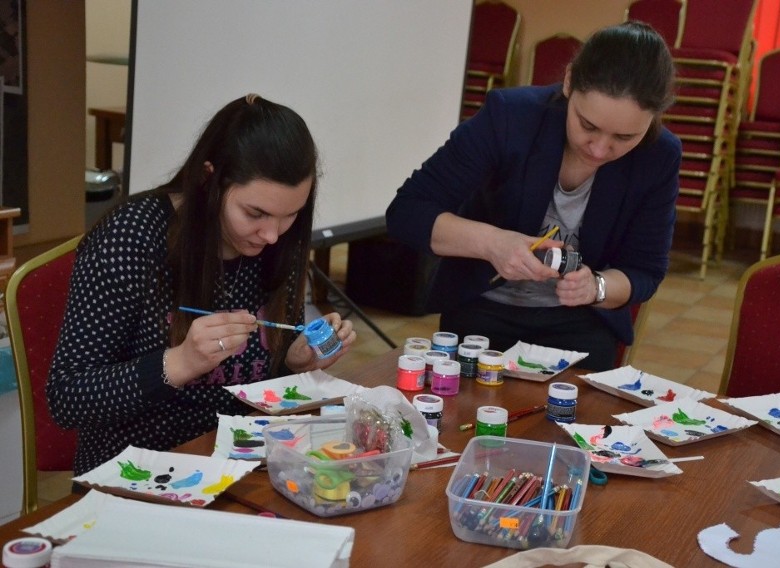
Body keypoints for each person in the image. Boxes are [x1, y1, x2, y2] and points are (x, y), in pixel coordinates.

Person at [48, 94, 356, 475]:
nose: (272, 234)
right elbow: (68, 398)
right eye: (254, 213)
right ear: (208, 178)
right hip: (137, 471)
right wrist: (179, 363)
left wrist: (293, 362)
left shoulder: (277, 242)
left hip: (243, 461)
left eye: (289, 215)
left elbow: (256, 380)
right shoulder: (131, 237)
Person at [386, 22, 680, 371]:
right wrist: (493, 244)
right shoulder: (510, 117)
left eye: (625, 137)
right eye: (587, 126)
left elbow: (645, 271)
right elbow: (407, 212)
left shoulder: (658, 155)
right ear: (569, 81)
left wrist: (596, 287)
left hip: (580, 323)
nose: (600, 149)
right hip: (482, 315)